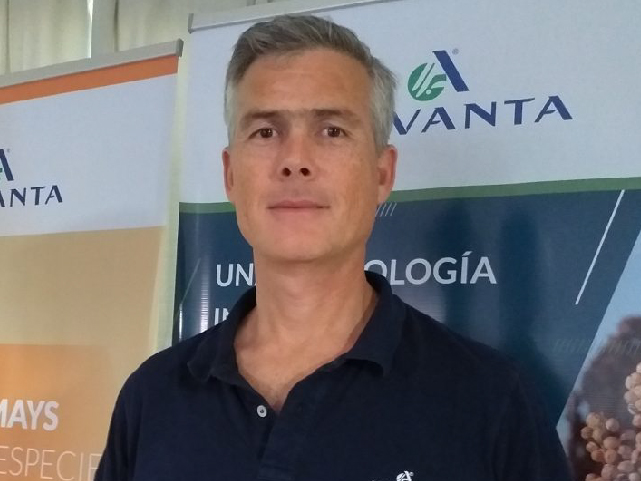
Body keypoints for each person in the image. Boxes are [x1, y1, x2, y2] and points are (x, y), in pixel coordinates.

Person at [95, 14, 572, 481]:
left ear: (382, 174)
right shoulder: (152, 396)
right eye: (265, 132)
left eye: (332, 131)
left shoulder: (488, 400)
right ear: (230, 175)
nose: (295, 160)